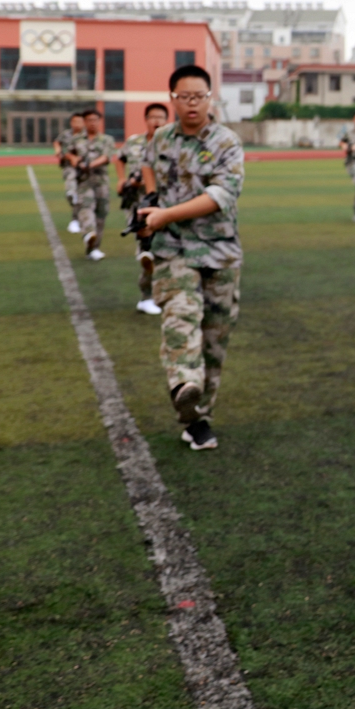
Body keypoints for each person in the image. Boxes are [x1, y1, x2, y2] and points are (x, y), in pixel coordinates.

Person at [136, 66, 245, 451]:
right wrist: (151, 201)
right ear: (173, 99)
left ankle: (199, 417)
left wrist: (165, 213)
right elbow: (146, 164)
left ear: (210, 98)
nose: (192, 104)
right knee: (180, 317)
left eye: (199, 96)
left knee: (214, 342)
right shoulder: (161, 137)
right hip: (174, 249)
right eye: (184, 97)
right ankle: (184, 384)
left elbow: (220, 196)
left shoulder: (226, 142)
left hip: (220, 252)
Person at [117, 102, 169, 314]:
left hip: (165, 203)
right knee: (148, 249)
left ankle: (163, 293)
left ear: (166, 121)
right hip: (138, 203)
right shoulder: (134, 142)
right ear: (146, 120)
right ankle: (147, 296)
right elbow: (119, 159)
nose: (156, 121)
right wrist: (122, 179)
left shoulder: (171, 143)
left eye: (161, 117)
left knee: (164, 250)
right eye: (152, 117)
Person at [69, 109, 115, 261]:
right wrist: (74, 159)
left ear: (99, 121)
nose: (92, 123)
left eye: (95, 120)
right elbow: (68, 153)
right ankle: (89, 233)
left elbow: (106, 157)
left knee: (101, 214)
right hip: (84, 181)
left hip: (101, 182)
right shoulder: (76, 139)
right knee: (86, 207)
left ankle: (94, 247)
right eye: (89, 120)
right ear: (84, 122)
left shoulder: (106, 139)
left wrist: (90, 164)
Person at [56, 112, 87, 232]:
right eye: (75, 121)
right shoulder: (66, 134)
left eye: (80, 121)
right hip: (69, 166)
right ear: (71, 122)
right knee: (71, 180)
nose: (77, 124)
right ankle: (71, 192)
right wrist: (58, 151)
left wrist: (76, 158)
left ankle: (76, 220)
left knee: (81, 197)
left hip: (85, 169)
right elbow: (57, 142)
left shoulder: (86, 136)